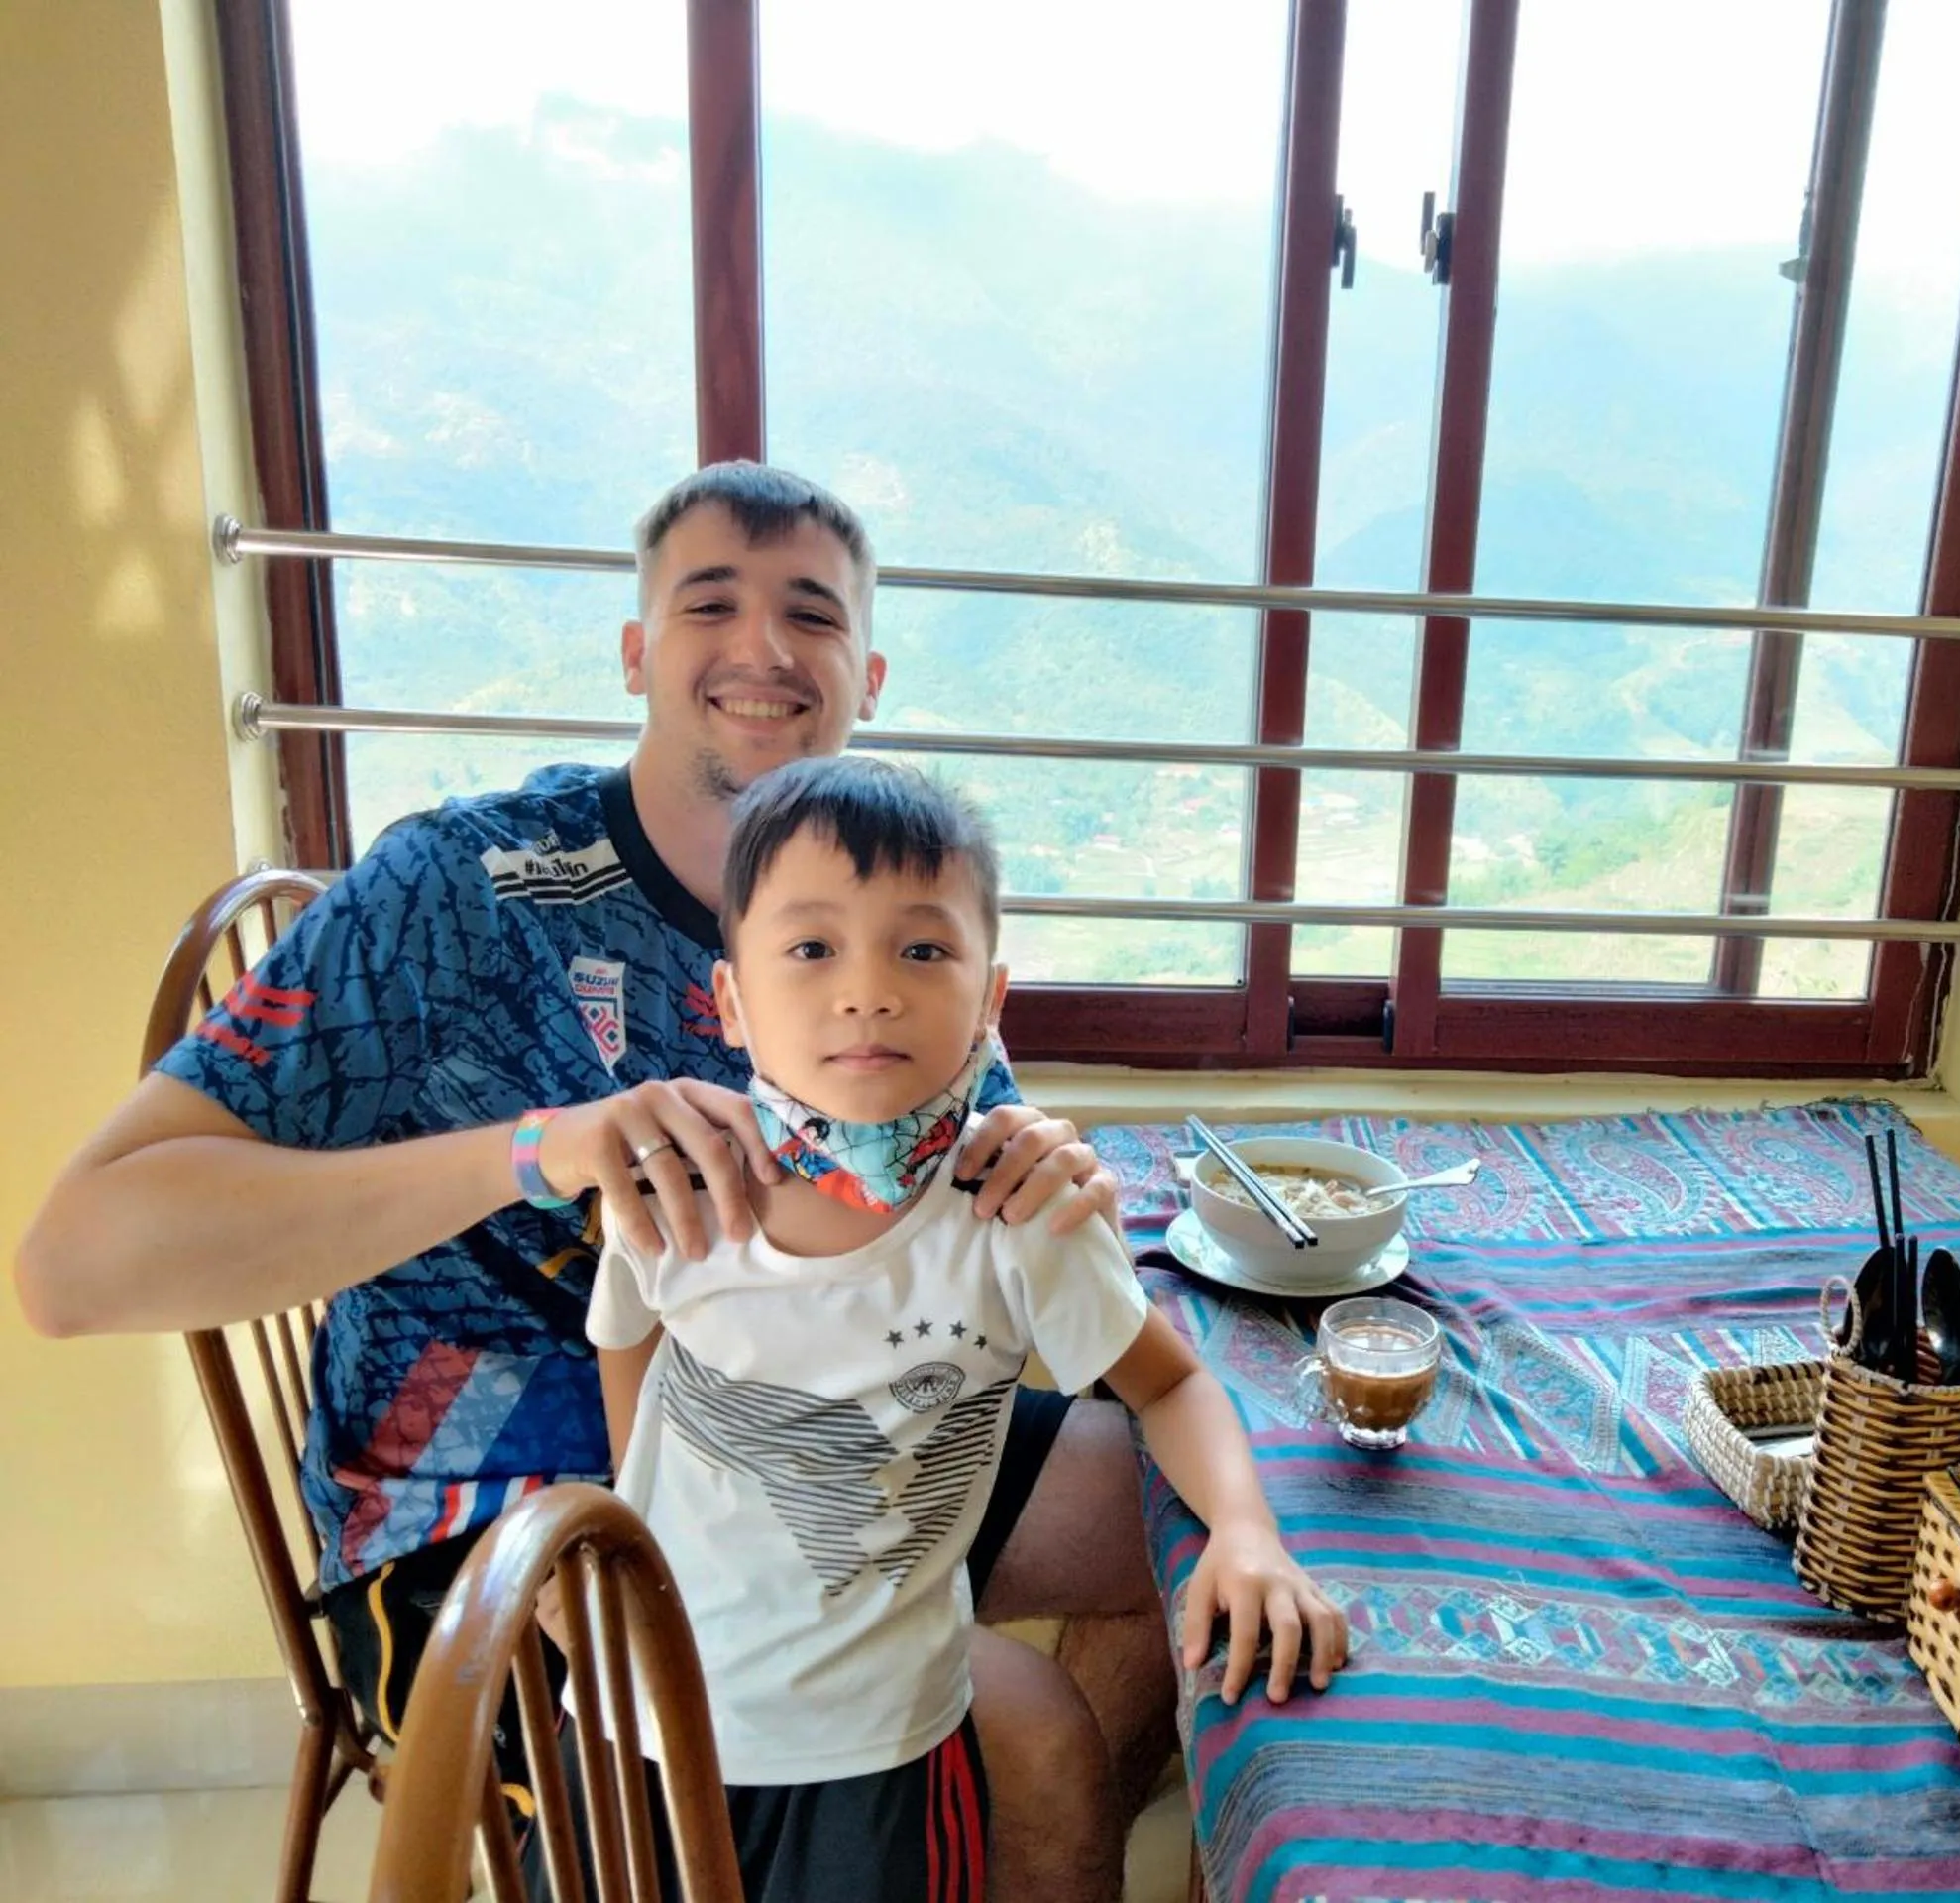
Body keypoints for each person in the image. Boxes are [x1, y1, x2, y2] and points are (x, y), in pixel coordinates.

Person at [14, 463, 1181, 1898]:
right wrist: (533, 1150)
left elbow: (970, 1197)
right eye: (710, 603)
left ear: (863, 675)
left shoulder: (882, 910)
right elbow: (72, 1262)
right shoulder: (453, 896)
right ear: (637, 650)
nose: (762, 650)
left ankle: (996, 1837)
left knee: (1182, 1507)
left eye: (809, 615)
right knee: (1036, 1743)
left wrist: (1043, 1177)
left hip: (840, 1415)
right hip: (497, 1490)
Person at [571, 753, 1342, 1899]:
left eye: (922, 949)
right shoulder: (681, 1191)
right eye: (811, 947)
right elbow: (624, 1338)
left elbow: (1169, 1387)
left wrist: (1244, 1532)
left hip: (878, 1743)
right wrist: (631, 1541)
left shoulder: (1020, 1213)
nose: (867, 990)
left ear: (990, 996)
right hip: (647, 1718)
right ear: (730, 999)